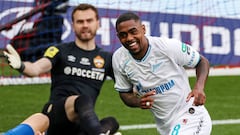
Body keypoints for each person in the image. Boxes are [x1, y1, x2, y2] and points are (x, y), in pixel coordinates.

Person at [4, 3, 120, 135]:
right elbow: (36, 68)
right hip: (55, 116)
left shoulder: (106, 58)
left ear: (98, 23)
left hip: (81, 122)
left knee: (111, 122)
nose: (85, 25)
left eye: (89, 21)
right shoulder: (60, 50)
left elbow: (127, 88)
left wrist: (142, 92)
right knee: (82, 100)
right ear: (73, 25)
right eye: (80, 21)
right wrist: (21, 66)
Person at [112, 12, 212, 135]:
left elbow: (202, 61)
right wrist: (138, 102)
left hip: (191, 114)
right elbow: (125, 93)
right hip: (166, 126)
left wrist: (199, 87)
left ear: (143, 29)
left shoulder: (166, 47)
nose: (129, 38)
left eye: (133, 32)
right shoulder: (119, 59)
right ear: (118, 37)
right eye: (123, 35)